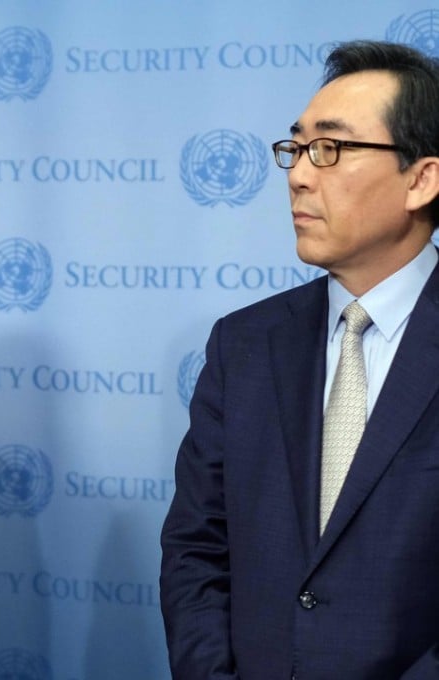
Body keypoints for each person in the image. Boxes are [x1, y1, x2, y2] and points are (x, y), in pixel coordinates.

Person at [160, 40, 439, 679]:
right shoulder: (246, 343)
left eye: (331, 149)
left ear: (421, 178)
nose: (299, 174)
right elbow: (195, 550)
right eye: (296, 148)